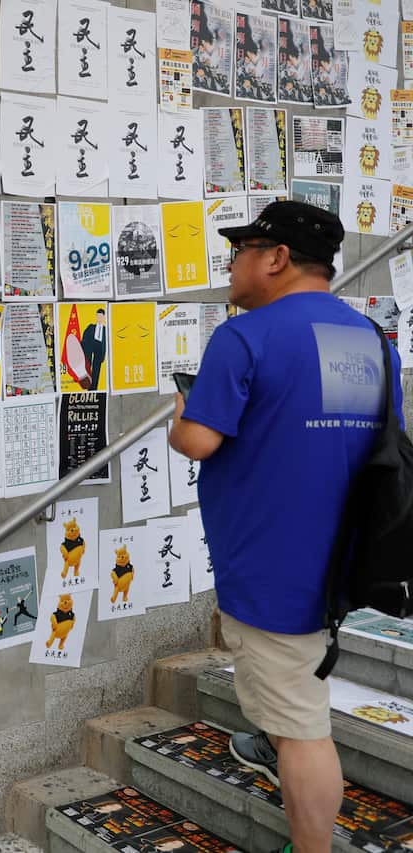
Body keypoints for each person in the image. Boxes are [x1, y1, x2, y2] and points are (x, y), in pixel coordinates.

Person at [168, 201, 404, 853]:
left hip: (271, 569)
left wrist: (181, 416)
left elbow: (199, 441)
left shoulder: (245, 337)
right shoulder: (374, 344)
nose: (232, 263)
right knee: (295, 693)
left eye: (240, 249)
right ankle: (269, 739)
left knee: (305, 728)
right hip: (343, 561)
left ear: (275, 257)